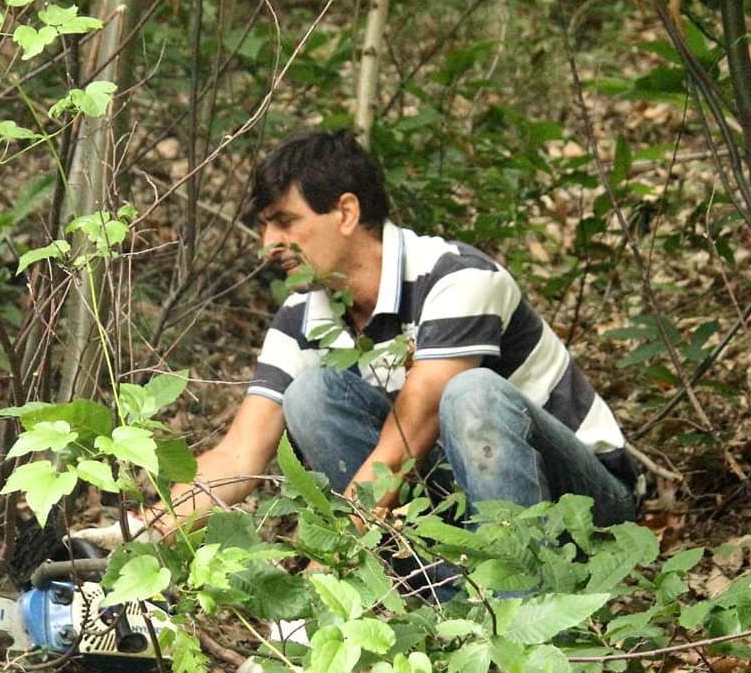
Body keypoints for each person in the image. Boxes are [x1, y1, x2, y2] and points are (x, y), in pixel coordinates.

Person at [74, 129, 641, 586]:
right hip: (463, 507)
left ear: (346, 212)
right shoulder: (303, 315)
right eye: (264, 225)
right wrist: (146, 530)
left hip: (586, 507)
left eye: (285, 222)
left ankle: (517, 612)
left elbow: (410, 433)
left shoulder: (458, 277)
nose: (267, 244)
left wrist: (322, 576)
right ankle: (436, 595)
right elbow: (240, 452)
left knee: (472, 394)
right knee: (309, 394)